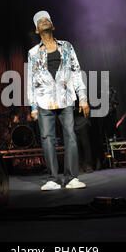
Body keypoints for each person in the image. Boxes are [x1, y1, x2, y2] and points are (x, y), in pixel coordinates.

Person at [27, 11, 90, 190]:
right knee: (47, 138)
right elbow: (31, 80)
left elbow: (77, 72)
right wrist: (33, 106)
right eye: (40, 21)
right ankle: (53, 179)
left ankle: (71, 178)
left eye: (47, 20)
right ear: (37, 29)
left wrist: (83, 98)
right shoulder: (33, 53)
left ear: (52, 26)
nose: (44, 22)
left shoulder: (67, 47)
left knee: (70, 135)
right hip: (43, 100)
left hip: (66, 97)